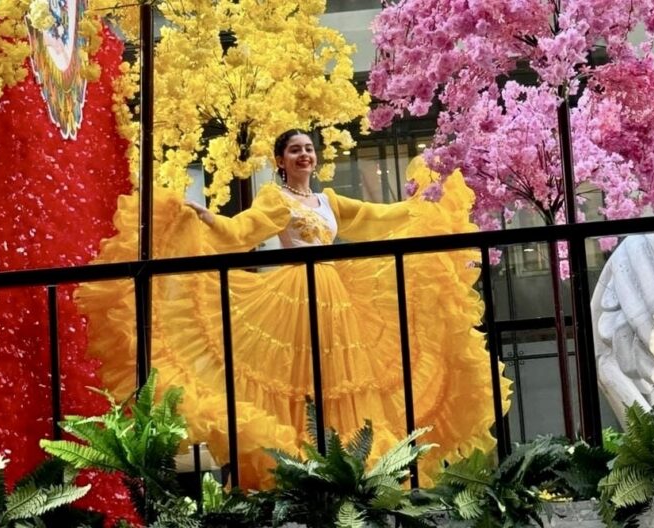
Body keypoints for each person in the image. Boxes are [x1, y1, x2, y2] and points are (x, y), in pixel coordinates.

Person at [76, 129, 512, 488]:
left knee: (344, 380)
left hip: (338, 299)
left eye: (308, 149)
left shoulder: (330, 202)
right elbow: (241, 231)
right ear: (281, 160)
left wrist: (425, 208)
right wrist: (207, 219)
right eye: (294, 150)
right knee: (295, 379)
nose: (304, 154)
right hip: (293, 295)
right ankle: (296, 467)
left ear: (316, 158)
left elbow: (379, 220)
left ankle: (347, 471)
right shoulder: (275, 197)